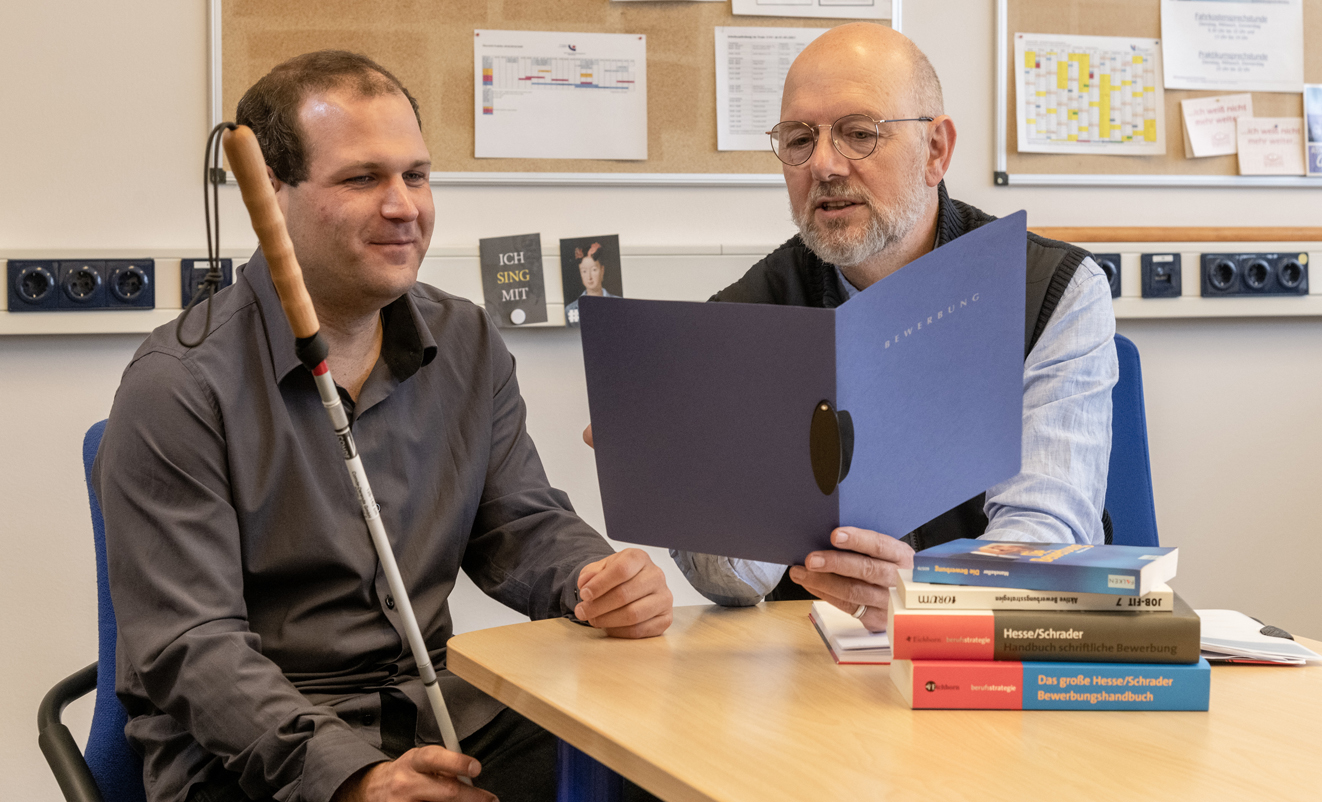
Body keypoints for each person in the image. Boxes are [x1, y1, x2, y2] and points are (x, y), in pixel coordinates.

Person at [95, 51, 672, 802]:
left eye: (417, 175)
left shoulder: (466, 340)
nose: (404, 205)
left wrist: (592, 581)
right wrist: (353, 779)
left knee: (652, 763)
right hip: (252, 751)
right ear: (269, 193)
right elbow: (192, 650)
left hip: (435, 706)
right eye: (362, 178)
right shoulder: (176, 385)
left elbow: (520, 526)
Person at [665, 24, 1118, 633]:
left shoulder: (1049, 289)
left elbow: (1046, 538)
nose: (823, 165)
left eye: (858, 134)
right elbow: (732, 585)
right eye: (799, 139)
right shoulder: (748, 315)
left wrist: (928, 598)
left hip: (1000, 662)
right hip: (817, 677)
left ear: (935, 151)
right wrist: (700, 464)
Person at [563, 241, 617, 327]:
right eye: (584, 271)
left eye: (594, 270)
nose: (589, 277)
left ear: (602, 270)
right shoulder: (570, 309)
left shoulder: (619, 304)